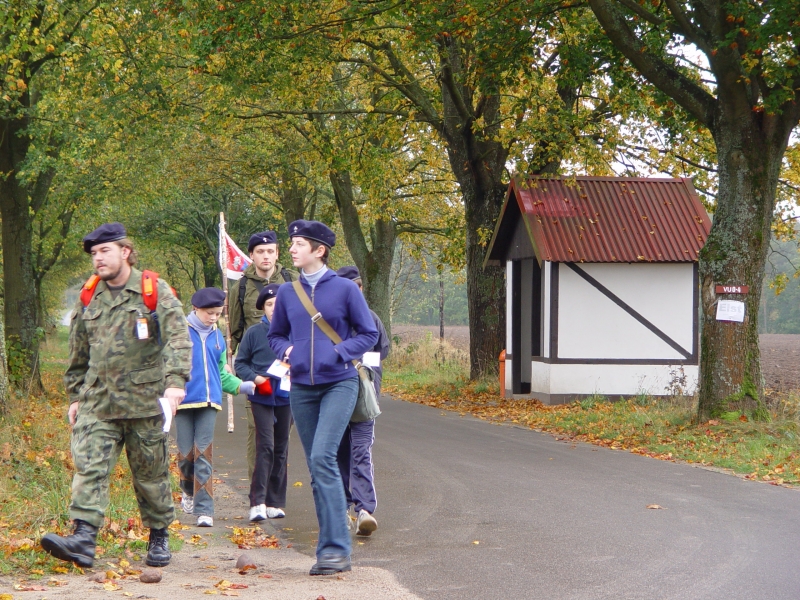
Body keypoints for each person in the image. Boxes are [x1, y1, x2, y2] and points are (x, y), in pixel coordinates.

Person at [41, 223, 192, 569]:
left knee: (150, 474)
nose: (98, 258)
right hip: (99, 402)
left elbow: (178, 338)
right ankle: (83, 537)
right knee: (89, 467)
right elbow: (78, 351)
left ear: (125, 251)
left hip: (145, 402)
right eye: (94, 253)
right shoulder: (89, 295)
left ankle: (158, 535)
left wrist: (175, 383)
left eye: (105, 251)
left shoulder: (153, 290)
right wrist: (75, 396)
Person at [268, 220, 378, 576]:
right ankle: (330, 547)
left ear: (319, 250)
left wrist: (339, 352)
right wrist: (288, 351)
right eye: (292, 243)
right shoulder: (287, 292)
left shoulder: (345, 289)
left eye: (299, 244)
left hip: (339, 383)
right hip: (301, 387)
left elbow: (369, 333)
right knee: (317, 468)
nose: (291, 249)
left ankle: (335, 550)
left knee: (322, 456)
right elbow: (276, 335)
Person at [177, 287, 256, 528]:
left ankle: (204, 510)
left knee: (203, 455)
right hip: (182, 401)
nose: (213, 318)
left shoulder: (218, 337)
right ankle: (187, 490)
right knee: (186, 456)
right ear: (195, 309)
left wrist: (241, 386)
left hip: (210, 402)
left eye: (218, 314)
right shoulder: (179, 332)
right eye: (209, 313)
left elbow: (220, 373)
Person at [227, 230, 298, 480]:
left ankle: (276, 491)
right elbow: (234, 332)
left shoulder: (293, 280)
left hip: (290, 375)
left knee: (282, 438)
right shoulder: (241, 287)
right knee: (259, 436)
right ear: (252, 255)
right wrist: (232, 365)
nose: (265, 256)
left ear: (277, 253)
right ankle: (258, 492)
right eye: (260, 252)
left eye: (270, 251)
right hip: (259, 377)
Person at [334, 266, 390, 537]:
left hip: (365, 398)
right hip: (335, 395)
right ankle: (343, 507)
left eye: (357, 287)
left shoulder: (372, 319)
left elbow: (382, 351)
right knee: (338, 452)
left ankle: (364, 509)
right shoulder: (330, 320)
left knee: (360, 451)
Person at [235, 284, 292, 523]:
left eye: (278, 304)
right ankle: (257, 502)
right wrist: (256, 378)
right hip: (262, 396)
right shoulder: (254, 333)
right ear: (263, 308)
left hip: (287, 396)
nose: (274, 308)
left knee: (281, 447)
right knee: (265, 445)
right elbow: (240, 363)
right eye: (269, 305)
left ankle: (275, 502)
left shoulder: (294, 331)